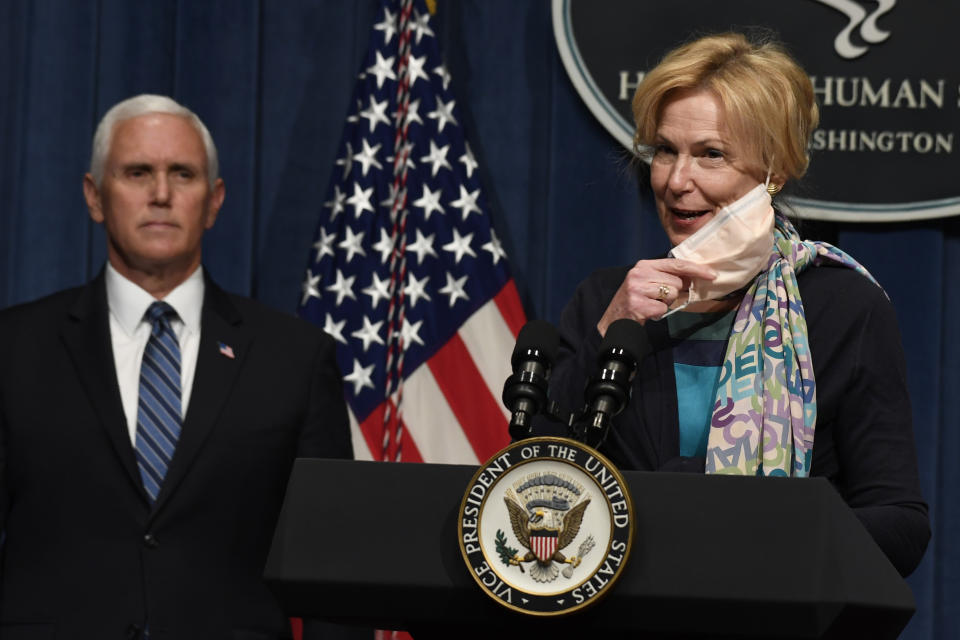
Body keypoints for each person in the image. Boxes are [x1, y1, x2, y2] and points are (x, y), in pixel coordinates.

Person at [538, 33, 930, 577]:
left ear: (775, 169)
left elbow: (900, 523)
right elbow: (535, 482)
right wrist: (611, 330)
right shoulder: (605, 300)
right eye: (666, 152)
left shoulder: (843, 307)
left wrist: (756, 534)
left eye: (710, 155)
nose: (677, 181)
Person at [0, 95, 354, 638]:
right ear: (95, 196)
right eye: (137, 172)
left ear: (213, 202)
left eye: (181, 174)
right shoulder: (14, 348)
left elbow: (332, 570)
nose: (160, 194)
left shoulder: (296, 360)